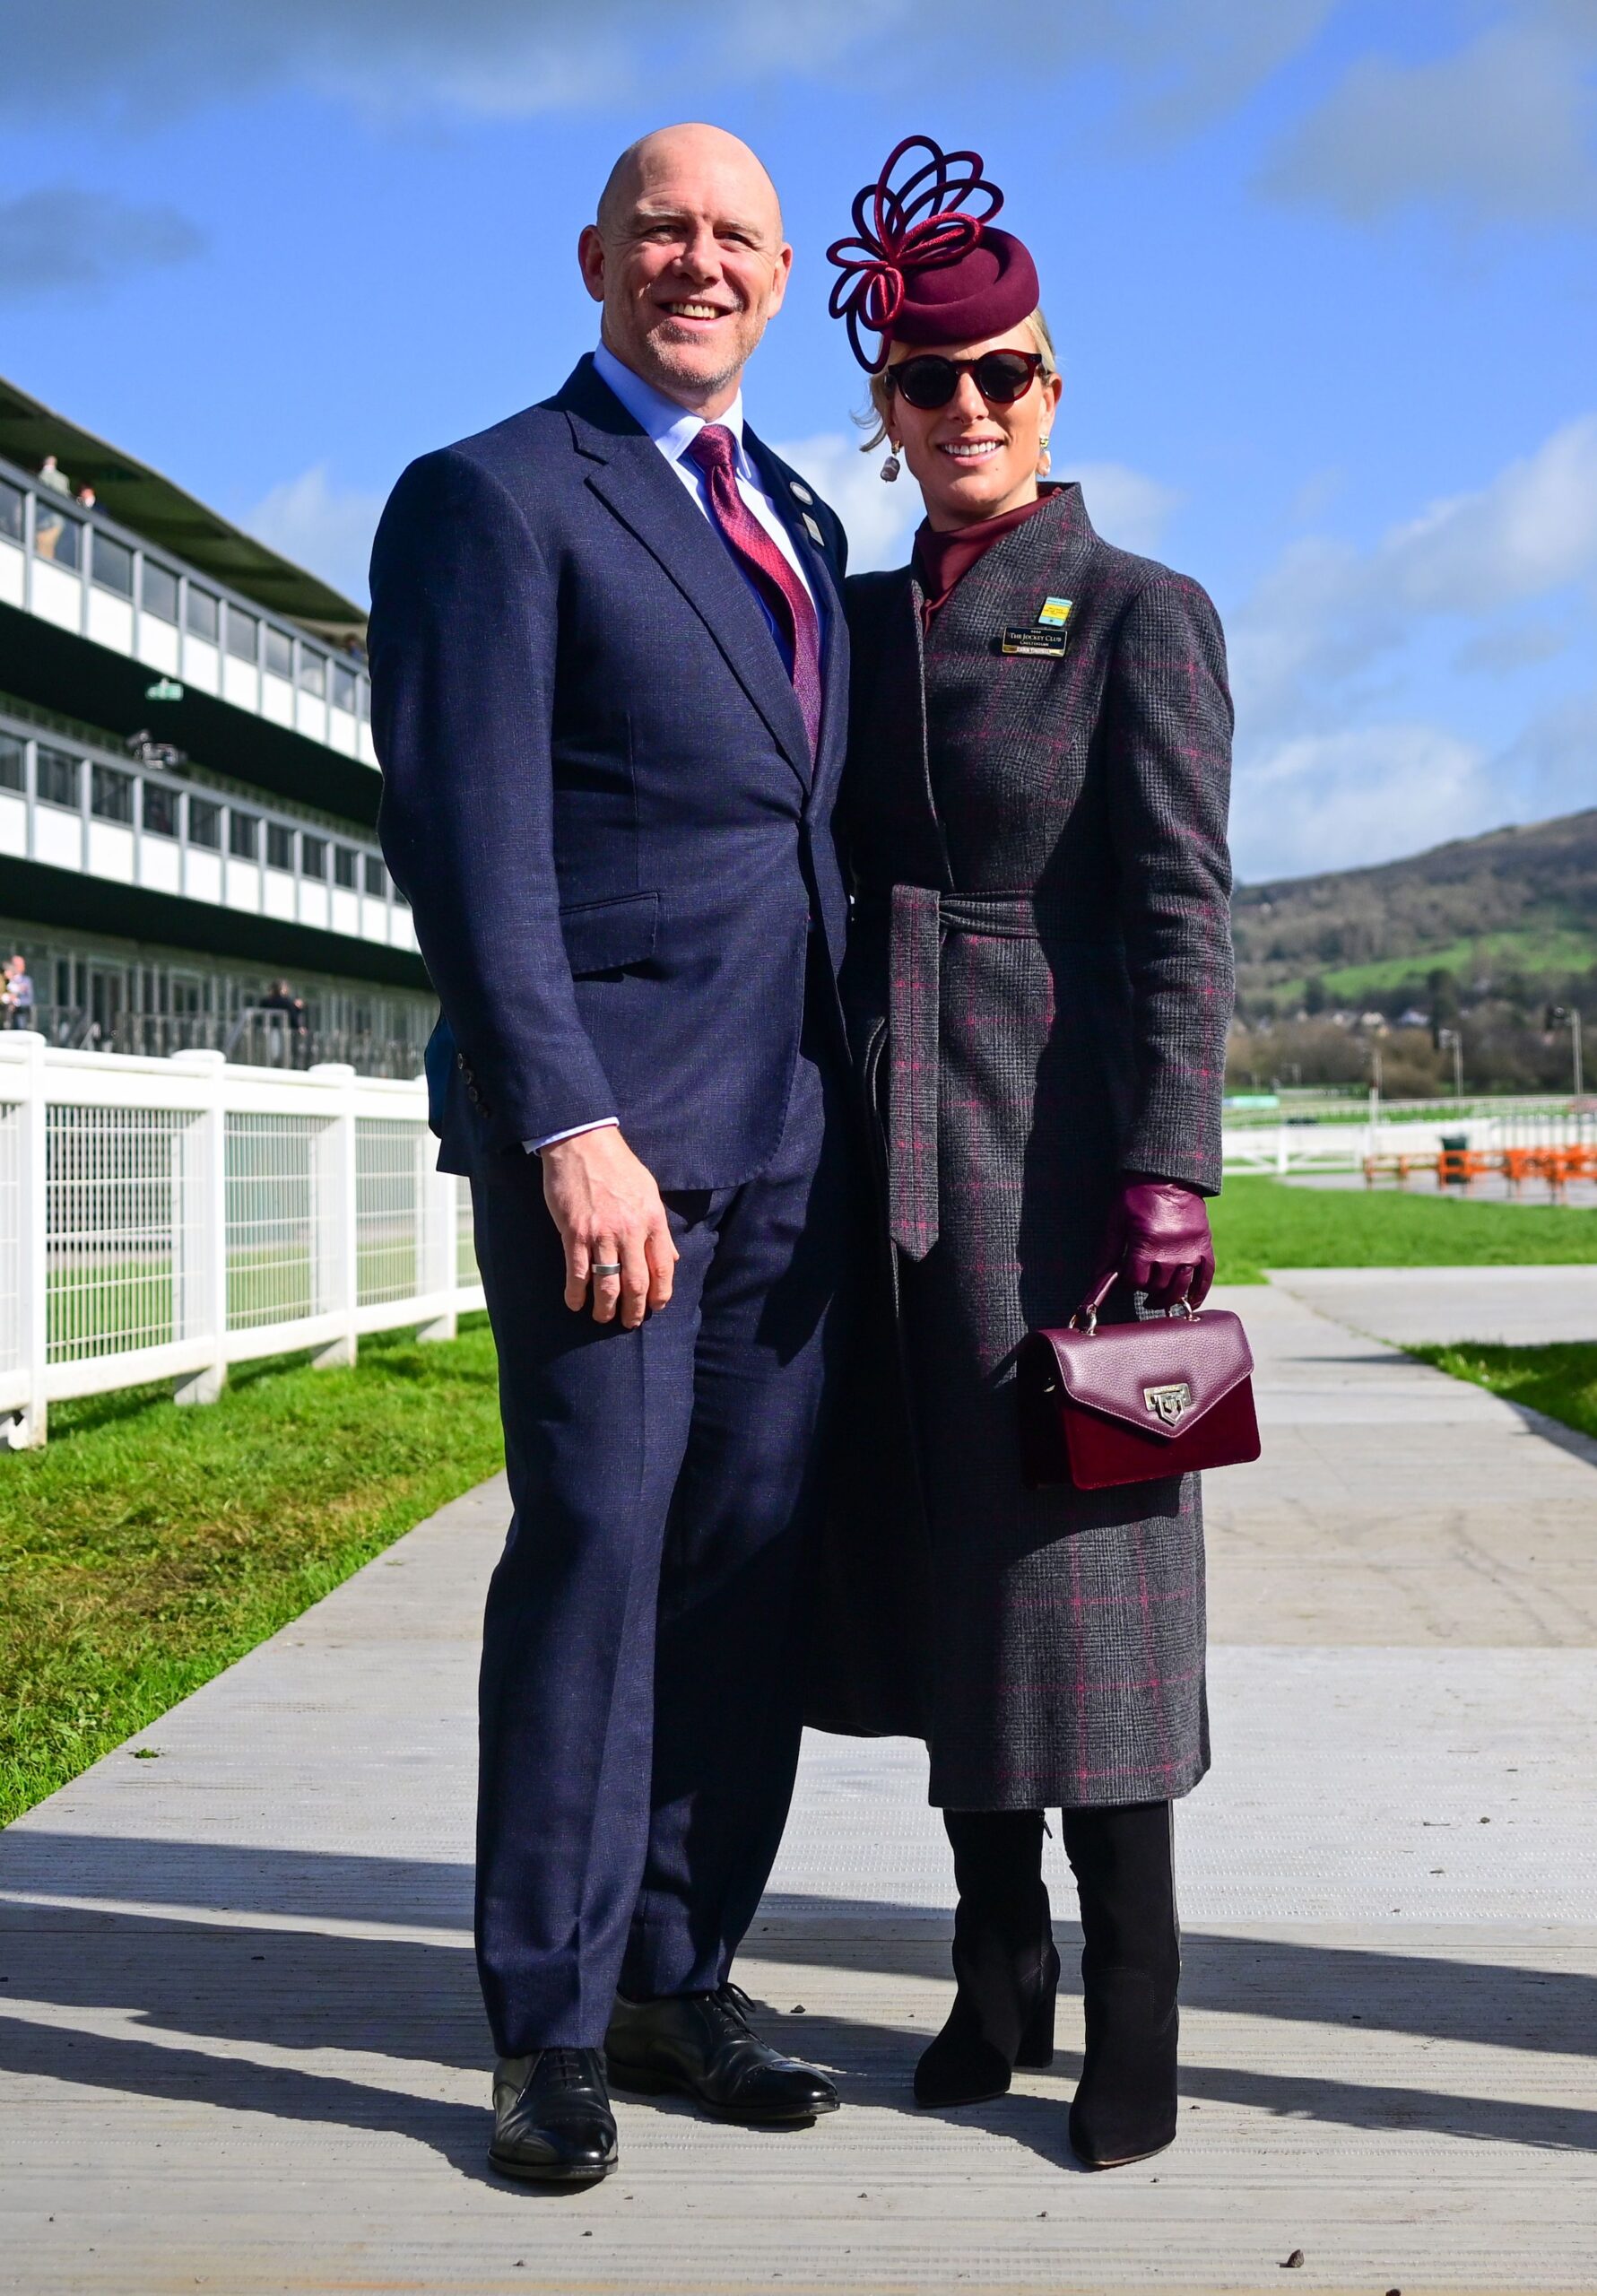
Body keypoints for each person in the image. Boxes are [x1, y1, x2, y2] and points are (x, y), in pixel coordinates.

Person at [369, 124, 855, 2185]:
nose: (699, 260)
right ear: (593, 254)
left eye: (737, 235)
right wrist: (565, 1120)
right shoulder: (490, 498)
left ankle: (678, 1965)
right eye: (664, 226)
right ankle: (545, 2017)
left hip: (795, 1138)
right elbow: (472, 848)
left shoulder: (805, 519)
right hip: (611, 1148)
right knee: (594, 1542)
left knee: (744, 1556)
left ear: (778, 273)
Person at [813, 137, 1235, 2171]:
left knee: (1085, 1582)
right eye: (927, 379)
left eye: (1006, 373)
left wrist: (1173, 1169)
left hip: (1061, 1163)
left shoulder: (1138, 610)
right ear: (885, 410)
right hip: (877, 1160)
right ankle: (996, 1962)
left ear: (1055, 390)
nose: (967, 408)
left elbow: (1178, 907)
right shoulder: (848, 615)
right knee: (933, 1574)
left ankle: (1135, 1993)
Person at [2, 954, 34, 1028]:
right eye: (15, 965)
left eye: (20, 965)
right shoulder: (3, 979)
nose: (17, 967)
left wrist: (15, 1001)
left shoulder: (27, 981)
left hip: (19, 1017)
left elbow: (29, 1000)